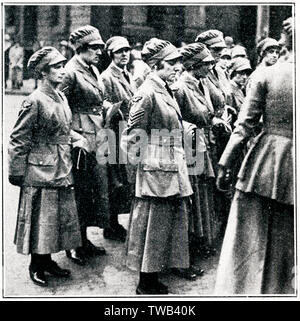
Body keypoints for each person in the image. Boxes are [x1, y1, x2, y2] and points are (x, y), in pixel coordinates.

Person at [215, 17, 294, 294]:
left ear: (284, 42)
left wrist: (225, 161)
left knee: (254, 237)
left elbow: (244, 126)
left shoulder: (266, 75)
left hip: (267, 163)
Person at [8, 47, 89, 287]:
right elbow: (18, 138)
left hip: (61, 163)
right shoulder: (34, 100)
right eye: (56, 67)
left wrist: (76, 137)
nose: (62, 71)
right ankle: (37, 264)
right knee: (41, 218)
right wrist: (16, 171)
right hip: (41, 168)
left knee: (57, 218)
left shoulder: (60, 96)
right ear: (43, 72)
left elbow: (63, 127)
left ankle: (48, 261)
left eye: (63, 66)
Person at [121, 38, 193, 294]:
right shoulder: (146, 92)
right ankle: (145, 282)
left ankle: (152, 277)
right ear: (154, 64)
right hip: (156, 170)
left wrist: (183, 128)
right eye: (172, 63)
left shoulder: (164, 87)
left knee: (163, 226)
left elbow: (166, 123)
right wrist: (140, 173)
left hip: (169, 163)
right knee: (151, 226)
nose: (178, 67)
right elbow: (131, 137)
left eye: (177, 62)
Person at [59, 25, 111, 265]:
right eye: (95, 48)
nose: (99, 52)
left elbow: (96, 99)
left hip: (97, 134)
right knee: (79, 192)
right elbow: (59, 109)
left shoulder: (91, 68)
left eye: (100, 47)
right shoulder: (69, 72)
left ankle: (84, 238)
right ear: (81, 49)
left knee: (93, 191)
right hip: (80, 139)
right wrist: (72, 137)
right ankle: (73, 244)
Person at [173, 42, 220, 275]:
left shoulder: (201, 84)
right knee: (189, 201)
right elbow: (174, 121)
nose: (210, 67)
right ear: (194, 65)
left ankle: (197, 244)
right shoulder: (181, 87)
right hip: (189, 149)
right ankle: (183, 256)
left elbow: (208, 112)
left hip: (202, 146)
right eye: (206, 64)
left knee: (201, 197)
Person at [99, 36, 137, 242]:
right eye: (119, 51)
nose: (124, 54)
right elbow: (102, 102)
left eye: (127, 50)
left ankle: (115, 223)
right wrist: (112, 109)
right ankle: (110, 224)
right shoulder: (107, 76)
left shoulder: (127, 75)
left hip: (126, 132)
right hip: (113, 132)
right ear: (111, 55)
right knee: (115, 179)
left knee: (124, 178)